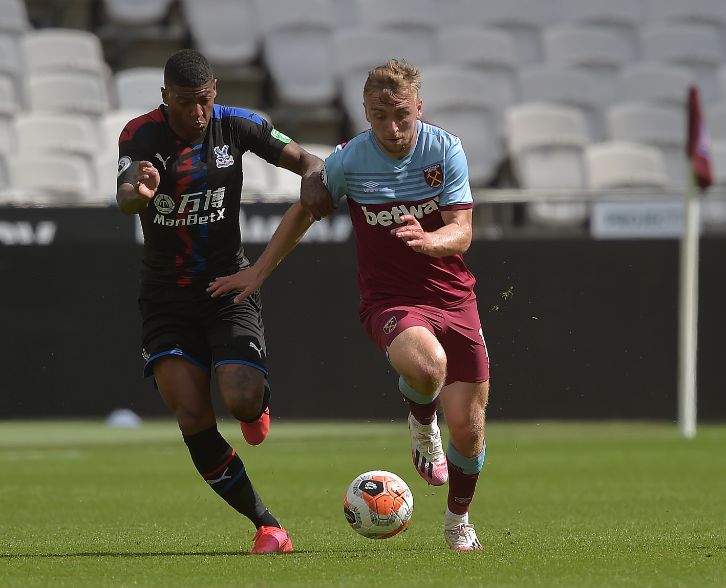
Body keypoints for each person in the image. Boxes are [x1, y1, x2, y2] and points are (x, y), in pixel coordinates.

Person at [207, 59, 490, 551]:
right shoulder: (350, 161)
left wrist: (430, 242)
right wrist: (257, 271)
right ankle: (423, 424)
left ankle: (456, 521)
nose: (392, 127)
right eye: (380, 116)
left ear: (418, 107)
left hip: (453, 297)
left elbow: (463, 231)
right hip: (390, 300)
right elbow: (303, 212)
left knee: (469, 432)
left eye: (402, 114)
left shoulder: (445, 149)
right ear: (365, 112)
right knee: (428, 367)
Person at [115, 49, 325, 554]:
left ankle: (255, 410)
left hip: (227, 286)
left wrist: (316, 176)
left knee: (241, 397)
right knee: (191, 414)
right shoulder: (139, 134)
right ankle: (267, 526)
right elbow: (125, 191)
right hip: (166, 295)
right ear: (165, 98)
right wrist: (138, 195)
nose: (198, 113)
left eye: (205, 101)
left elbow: (305, 159)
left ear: (215, 95)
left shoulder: (239, 125)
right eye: (186, 103)